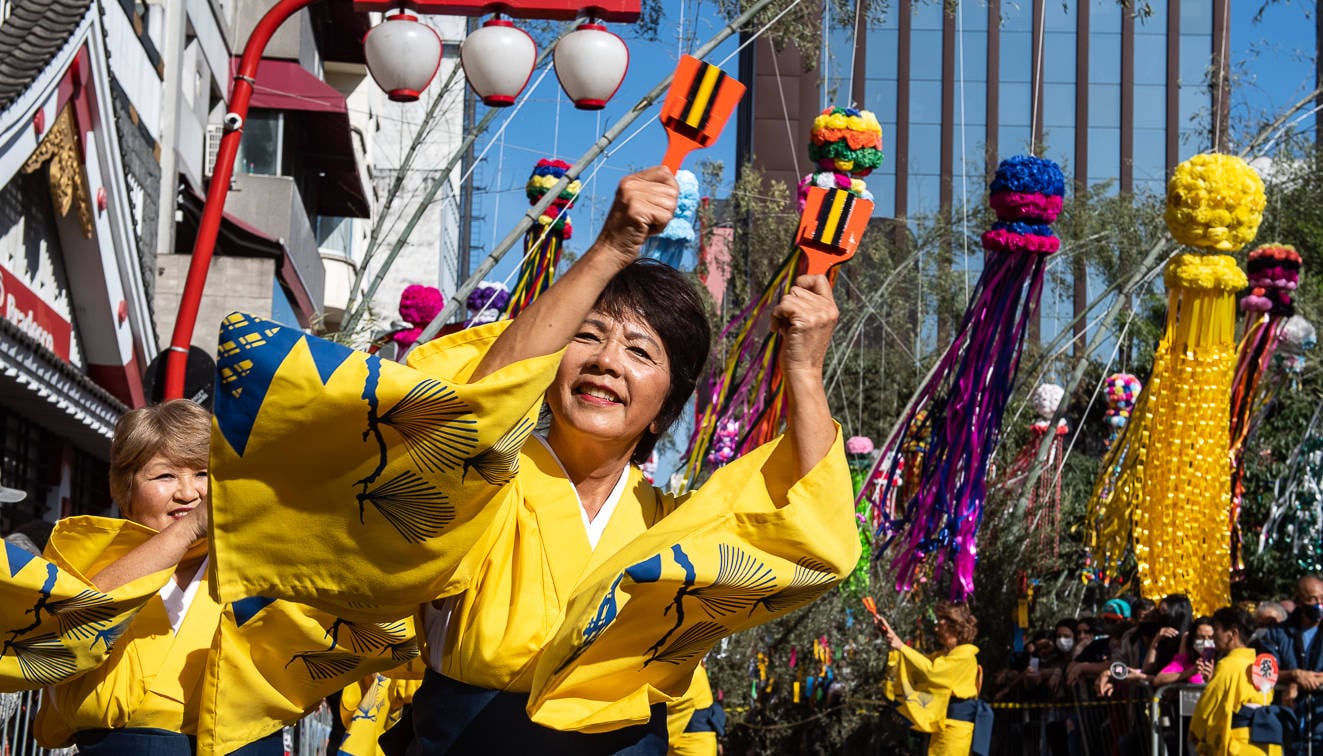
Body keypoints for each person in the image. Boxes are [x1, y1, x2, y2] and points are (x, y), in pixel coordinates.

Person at [203, 167, 860, 753]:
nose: (606, 361)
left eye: (640, 351)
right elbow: (471, 412)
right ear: (548, 369)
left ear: (665, 407)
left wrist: (804, 368)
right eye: (588, 336)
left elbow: (807, 529)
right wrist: (609, 249)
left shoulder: (673, 527)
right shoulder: (485, 486)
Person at [0, 400, 407, 754]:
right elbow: (77, 615)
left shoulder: (263, 559)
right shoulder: (86, 550)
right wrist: (190, 528)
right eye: (164, 476)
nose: (188, 493)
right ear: (126, 487)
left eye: (202, 474)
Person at [876, 603, 993, 755]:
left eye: (940, 623)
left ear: (954, 626)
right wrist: (892, 640)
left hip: (956, 729)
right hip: (943, 724)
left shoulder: (964, 656)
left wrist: (901, 646)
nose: (936, 629)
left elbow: (932, 672)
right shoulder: (944, 655)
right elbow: (918, 666)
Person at [1190, 607, 1286, 756]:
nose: (1213, 636)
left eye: (1217, 630)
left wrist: (1195, 730)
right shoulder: (1261, 664)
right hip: (1267, 742)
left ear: (1233, 634)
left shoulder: (1228, 665)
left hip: (1239, 743)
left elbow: (1208, 703)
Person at [1261, 576, 1323, 754]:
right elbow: (1265, 673)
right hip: (1288, 724)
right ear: (1299, 601)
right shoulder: (1276, 633)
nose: (1319, 604)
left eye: (1322, 598)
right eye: (1312, 599)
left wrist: (1312, 680)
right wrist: (1294, 675)